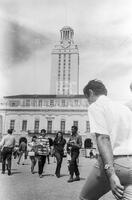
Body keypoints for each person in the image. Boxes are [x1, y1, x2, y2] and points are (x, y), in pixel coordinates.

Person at [80, 79, 132, 200]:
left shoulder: (96, 106)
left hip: (115, 163)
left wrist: (111, 173)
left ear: (91, 92)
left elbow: (103, 139)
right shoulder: (124, 109)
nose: (88, 102)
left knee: (85, 198)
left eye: (87, 98)